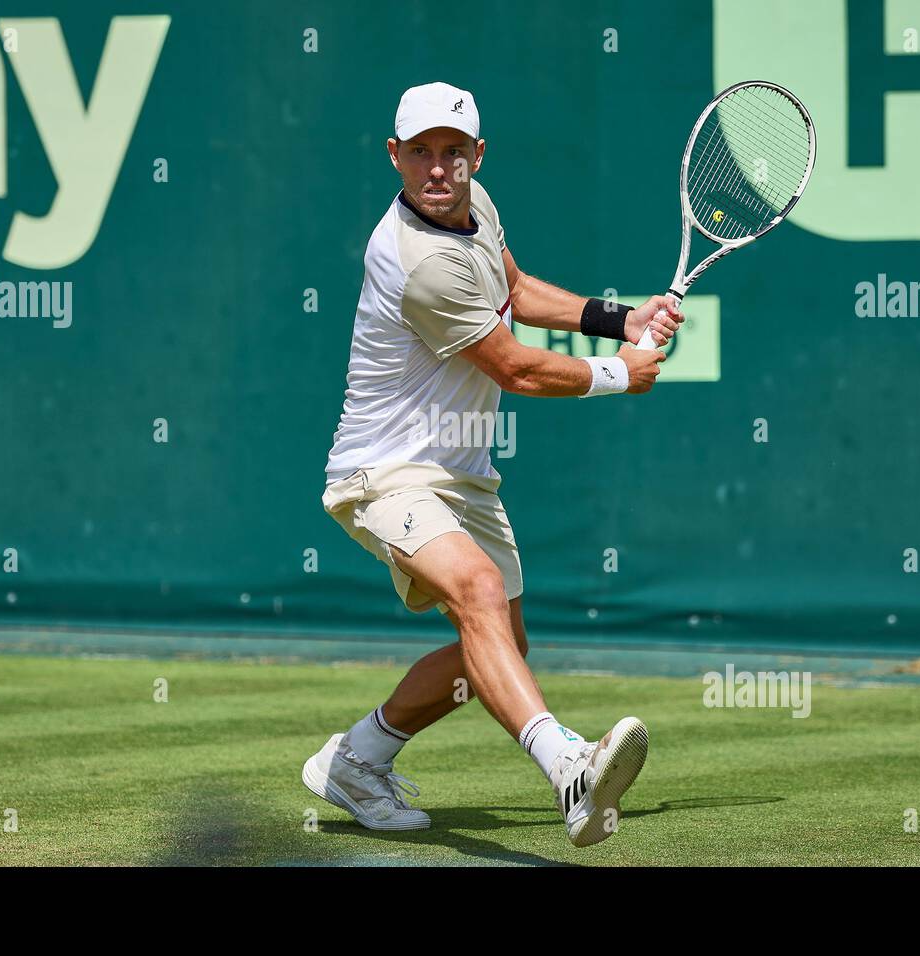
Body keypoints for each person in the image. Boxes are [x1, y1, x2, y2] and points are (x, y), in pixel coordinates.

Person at [305, 82, 681, 847]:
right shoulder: (416, 259)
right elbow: (512, 367)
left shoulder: (477, 208)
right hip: (383, 470)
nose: (437, 168)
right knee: (476, 589)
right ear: (395, 156)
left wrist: (619, 317)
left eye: (453, 152)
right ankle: (569, 768)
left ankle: (356, 759)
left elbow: (512, 288)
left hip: (462, 470)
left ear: (477, 155)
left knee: (499, 647)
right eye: (420, 153)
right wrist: (620, 373)